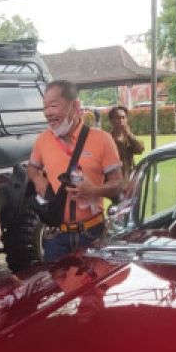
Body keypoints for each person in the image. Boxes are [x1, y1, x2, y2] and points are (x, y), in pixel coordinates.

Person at [28, 80, 123, 262]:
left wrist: (94, 191)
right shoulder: (42, 140)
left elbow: (119, 183)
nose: (48, 113)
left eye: (54, 105)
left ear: (75, 106)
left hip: (92, 235)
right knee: (57, 290)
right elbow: (32, 169)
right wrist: (41, 184)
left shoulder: (102, 139)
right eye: (45, 107)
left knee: (93, 291)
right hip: (56, 238)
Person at [108, 105, 144, 188]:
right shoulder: (108, 139)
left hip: (130, 181)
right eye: (117, 118)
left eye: (123, 117)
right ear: (111, 120)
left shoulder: (129, 138)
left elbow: (140, 149)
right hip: (114, 183)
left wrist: (128, 134)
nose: (121, 121)